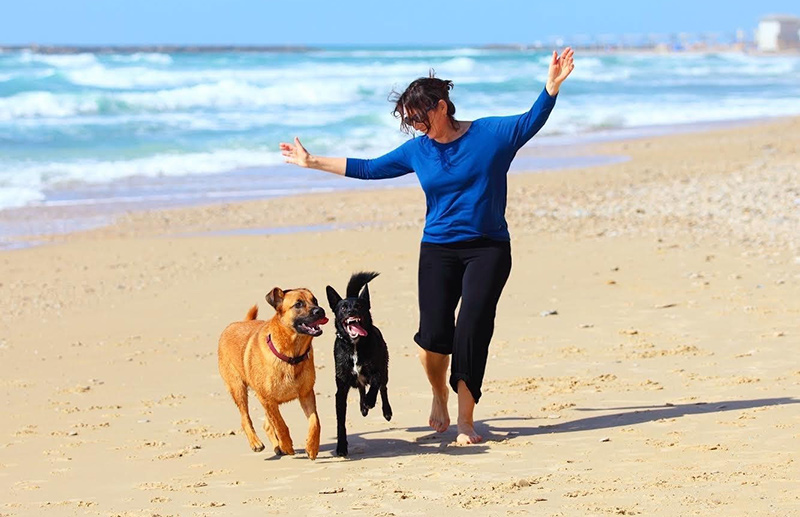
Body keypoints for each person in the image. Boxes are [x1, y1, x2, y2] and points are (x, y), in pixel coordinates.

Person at [280, 47, 575, 445]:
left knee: (472, 327)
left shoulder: (490, 135)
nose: (415, 125)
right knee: (434, 335)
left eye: (419, 116)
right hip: (438, 249)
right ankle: (439, 393)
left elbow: (529, 121)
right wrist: (311, 161)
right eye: (409, 120)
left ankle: (466, 421)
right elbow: (369, 168)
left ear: (441, 106)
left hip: (488, 248)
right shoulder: (418, 150)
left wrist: (550, 88)